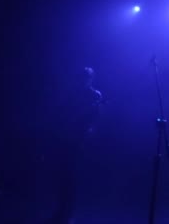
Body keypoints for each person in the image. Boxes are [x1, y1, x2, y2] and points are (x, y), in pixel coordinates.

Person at [48, 67, 103, 224]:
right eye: (82, 76)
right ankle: (62, 211)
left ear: (92, 78)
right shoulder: (72, 94)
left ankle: (70, 213)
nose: (84, 79)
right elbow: (62, 113)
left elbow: (98, 118)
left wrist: (91, 131)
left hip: (82, 140)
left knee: (75, 176)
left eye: (87, 77)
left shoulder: (95, 95)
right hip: (67, 138)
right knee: (64, 174)